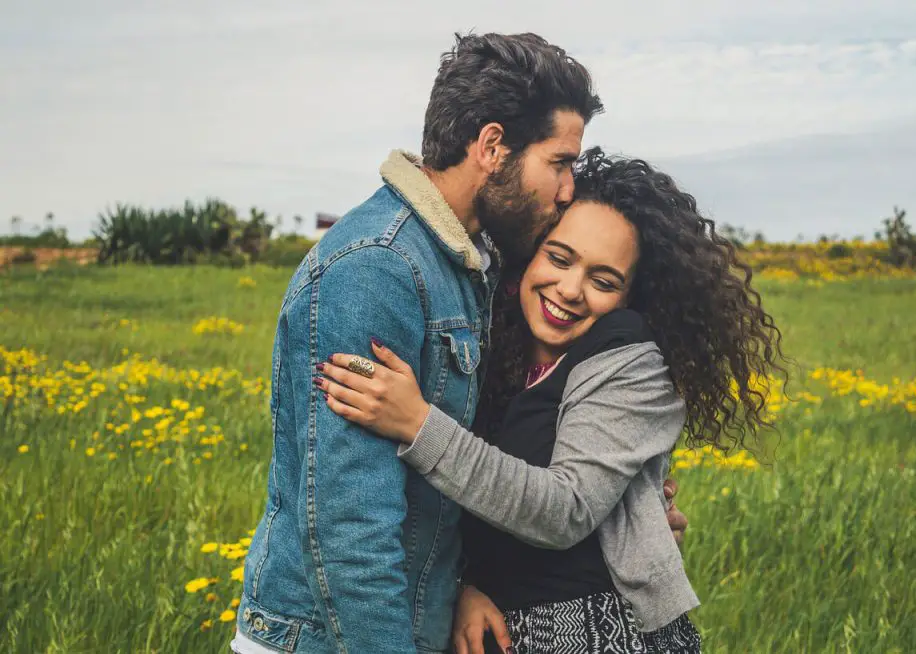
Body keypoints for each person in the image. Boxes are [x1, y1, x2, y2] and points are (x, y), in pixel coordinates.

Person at [232, 34, 686, 654]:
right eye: (559, 162)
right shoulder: (376, 269)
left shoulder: (476, 263)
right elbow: (348, 530)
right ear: (493, 147)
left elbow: (463, 480)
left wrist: (464, 584)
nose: (567, 189)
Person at [317, 148, 787, 653]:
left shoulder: (631, 358)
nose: (570, 289)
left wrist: (417, 424)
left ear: (629, 298)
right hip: (492, 629)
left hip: (602, 634)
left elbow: (565, 509)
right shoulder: (487, 348)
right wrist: (460, 588)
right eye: (559, 258)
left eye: (604, 281)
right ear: (528, 255)